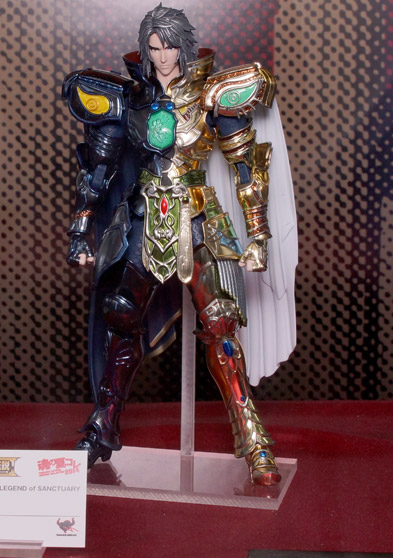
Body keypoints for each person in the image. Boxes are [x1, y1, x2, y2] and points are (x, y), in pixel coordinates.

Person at [61, 3, 291, 485]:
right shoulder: (128, 101)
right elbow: (98, 172)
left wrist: (259, 235)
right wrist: (81, 228)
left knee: (221, 323)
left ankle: (252, 438)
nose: (162, 56)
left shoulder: (213, 96)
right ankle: (104, 424)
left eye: (169, 47)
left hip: (199, 216)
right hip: (144, 219)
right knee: (120, 315)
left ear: (183, 48)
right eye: (154, 47)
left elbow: (247, 170)